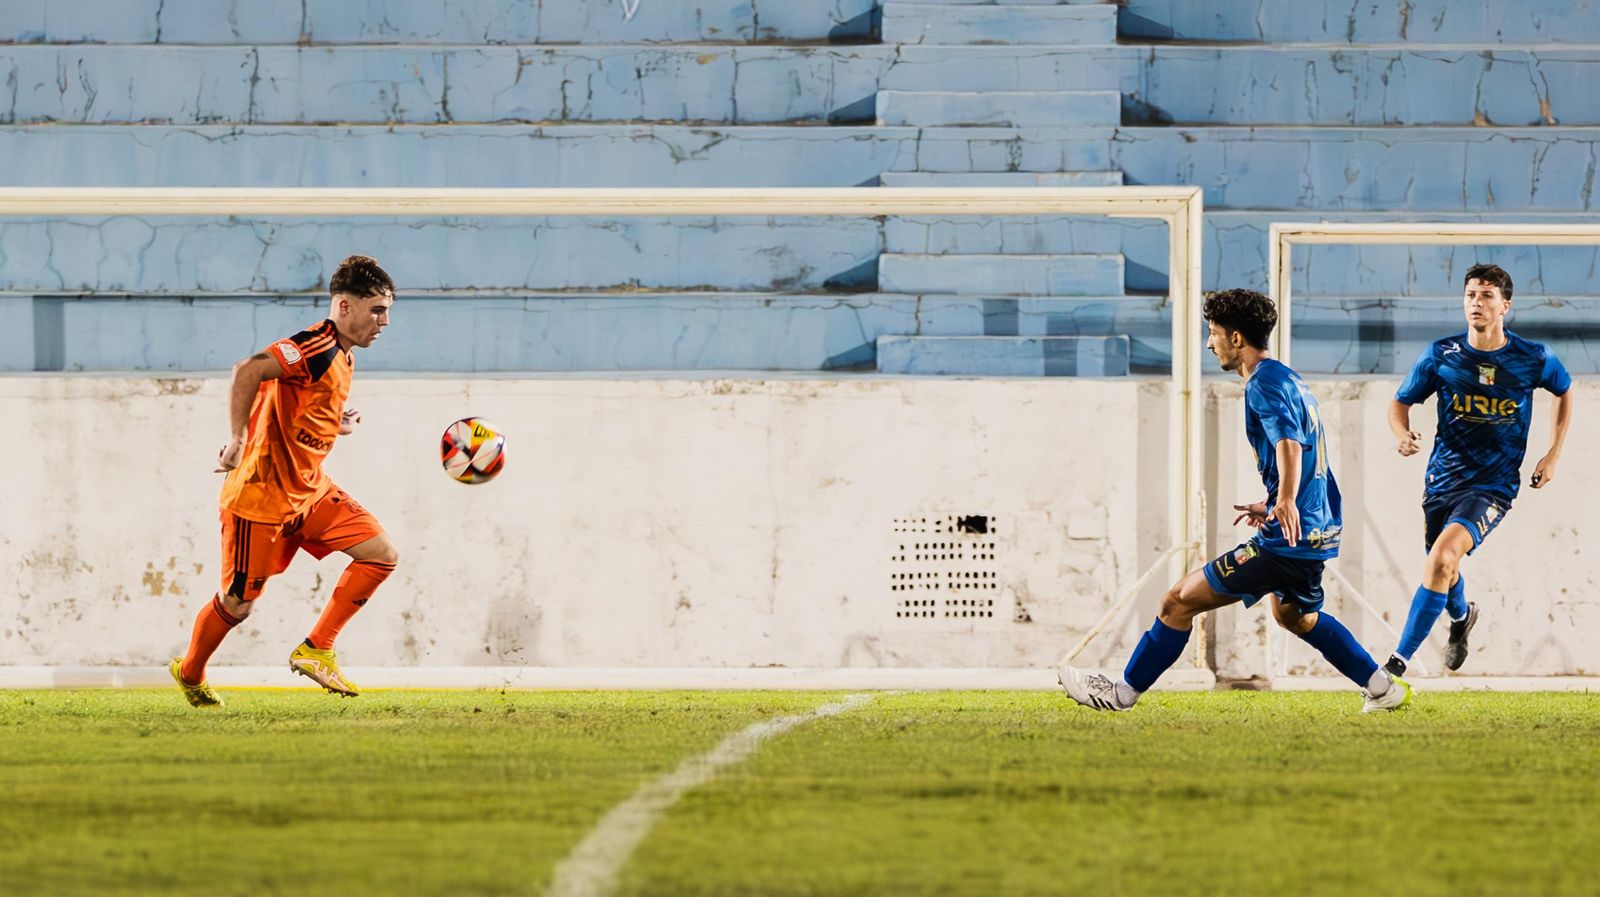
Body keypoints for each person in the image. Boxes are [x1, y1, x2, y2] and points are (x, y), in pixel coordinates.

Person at [1059, 288, 1410, 713]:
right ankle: (1381, 688)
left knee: (1177, 602)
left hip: (1288, 538)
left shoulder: (1262, 383)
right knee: (1293, 617)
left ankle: (1121, 694)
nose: (1210, 343)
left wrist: (1284, 500)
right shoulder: (1289, 377)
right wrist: (1278, 500)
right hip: (1316, 530)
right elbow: (1306, 449)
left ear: (1237, 339)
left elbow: (1290, 443)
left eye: (1214, 333)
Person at [170, 255, 401, 708]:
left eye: (387, 311)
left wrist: (338, 420)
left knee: (381, 555)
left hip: (309, 491)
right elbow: (247, 370)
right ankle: (191, 671)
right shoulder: (314, 346)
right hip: (261, 498)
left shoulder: (345, 357)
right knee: (238, 605)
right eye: (376, 310)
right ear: (344, 306)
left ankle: (317, 649)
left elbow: (303, 408)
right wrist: (236, 438)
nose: (385, 321)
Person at [1384, 264, 1573, 677]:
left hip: (1493, 485)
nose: (1477, 303)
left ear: (1505, 305)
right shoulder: (1442, 355)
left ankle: (1395, 666)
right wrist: (1401, 433)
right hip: (1442, 480)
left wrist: (1552, 455)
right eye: (1471, 295)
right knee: (1442, 564)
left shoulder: (1533, 357)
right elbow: (1400, 403)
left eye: (1486, 296)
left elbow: (1563, 390)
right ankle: (1461, 616)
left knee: (1441, 559)